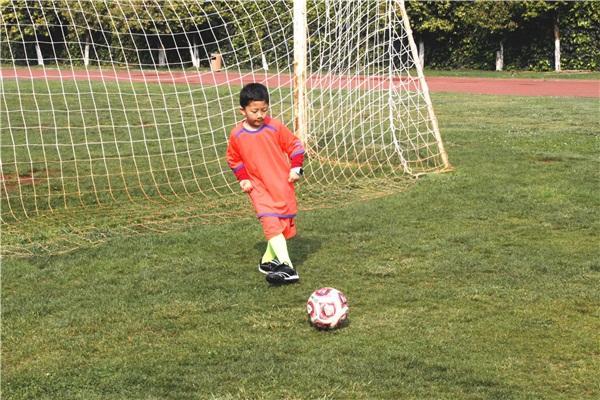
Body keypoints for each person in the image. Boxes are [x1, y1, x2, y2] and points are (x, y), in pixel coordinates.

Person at [226, 83, 305, 284]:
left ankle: (268, 261)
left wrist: (296, 168)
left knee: (282, 227)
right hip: (258, 187)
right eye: (254, 111)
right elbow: (234, 159)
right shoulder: (237, 135)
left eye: (264, 110)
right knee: (270, 222)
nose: (260, 115)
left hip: (280, 184)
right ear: (242, 110)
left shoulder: (275, 127)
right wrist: (243, 178)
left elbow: (295, 145)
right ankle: (287, 267)